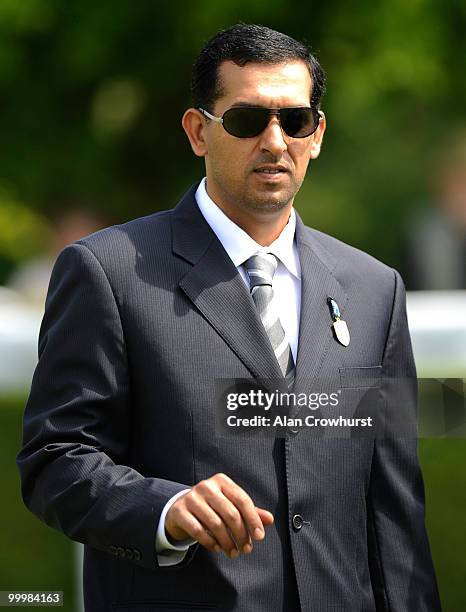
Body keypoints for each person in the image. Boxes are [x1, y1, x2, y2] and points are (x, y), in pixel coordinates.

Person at [17, 24, 441, 612]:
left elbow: (395, 514)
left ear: (316, 135)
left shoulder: (375, 289)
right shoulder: (106, 272)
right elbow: (55, 461)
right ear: (198, 131)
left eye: (294, 121)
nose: (274, 141)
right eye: (247, 121)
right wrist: (165, 509)